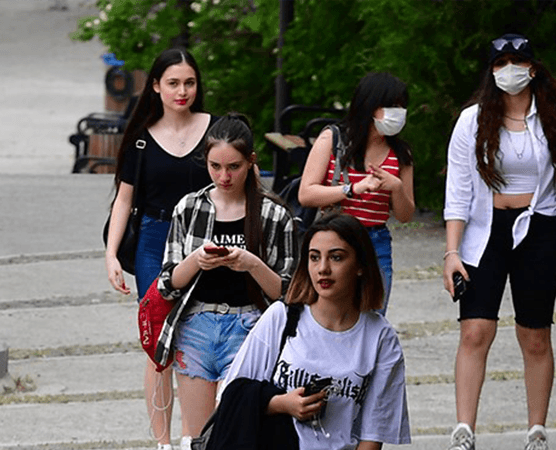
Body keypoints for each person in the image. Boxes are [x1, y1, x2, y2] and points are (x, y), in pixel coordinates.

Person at [443, 33, 556, 450]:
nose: (510, 70)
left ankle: (536, 431)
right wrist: (452, 252)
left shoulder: (551, 117)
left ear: (532, 67)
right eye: (501, 62)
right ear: (492, 70)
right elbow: (457, 191)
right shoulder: (472, 120)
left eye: (517, 61)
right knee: (475, 330)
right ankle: (464, 430)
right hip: (484, 229)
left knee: (535, 333)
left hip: (540, 226)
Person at [156, 114, 295, 450]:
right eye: (215, 166)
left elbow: (288, 293)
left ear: (251, 162)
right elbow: (167, 283)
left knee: (238, 433)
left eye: (233, 166)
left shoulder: (273, 214)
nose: (223, 176)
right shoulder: (189, 207)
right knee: (198, 437)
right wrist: (196, 261)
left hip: (250, 326)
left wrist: (251, 264)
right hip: (197, 325)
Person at [222, 212, 411, 450]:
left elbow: (373, 432)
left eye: (336, 257)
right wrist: (281, 404)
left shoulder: (380, 337)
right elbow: (230, 395)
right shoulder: (282, 318)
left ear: (360, 266)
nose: (323, 268)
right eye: (314, 257)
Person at [105, 47, 215, 450]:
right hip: (154, 241)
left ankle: (195, 435)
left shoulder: (217, 130)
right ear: (155, 86)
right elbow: (123, 200)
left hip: (206, 241)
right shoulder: (140, 140)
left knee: (200, 337)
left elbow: (241, 182)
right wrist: (112, 254)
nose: (182, 91)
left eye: (189, 82)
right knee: (159, 345)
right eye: (172, 83)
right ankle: (163, 441)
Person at [298, 72, 415, 316]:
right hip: (335, 239)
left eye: (402, 107)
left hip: (376, 242)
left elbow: (405, 215)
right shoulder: (333, 139)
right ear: (371, 105)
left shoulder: (400, 154)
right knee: (330, 315)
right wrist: (351, 190)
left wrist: (396, 187)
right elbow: (306, 194)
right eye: (392, 106)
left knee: (372, 317)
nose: (398, 112)